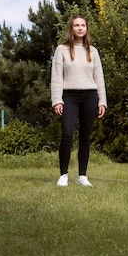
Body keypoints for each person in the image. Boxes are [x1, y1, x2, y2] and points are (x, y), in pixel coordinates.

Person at [51, 15, 107, 187]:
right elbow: (56, 77)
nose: (80, 28)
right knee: (67, 133)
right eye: (77, 25)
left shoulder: (93, 51)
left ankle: (82, 175)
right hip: (69, 96)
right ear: (72, 28)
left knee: (85, 136)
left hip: (90, 96)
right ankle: (63, 175)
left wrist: (102, 101)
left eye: (83, 25)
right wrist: (56, 100)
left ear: (86, 28)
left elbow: (99, 78)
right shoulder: (62, 50)